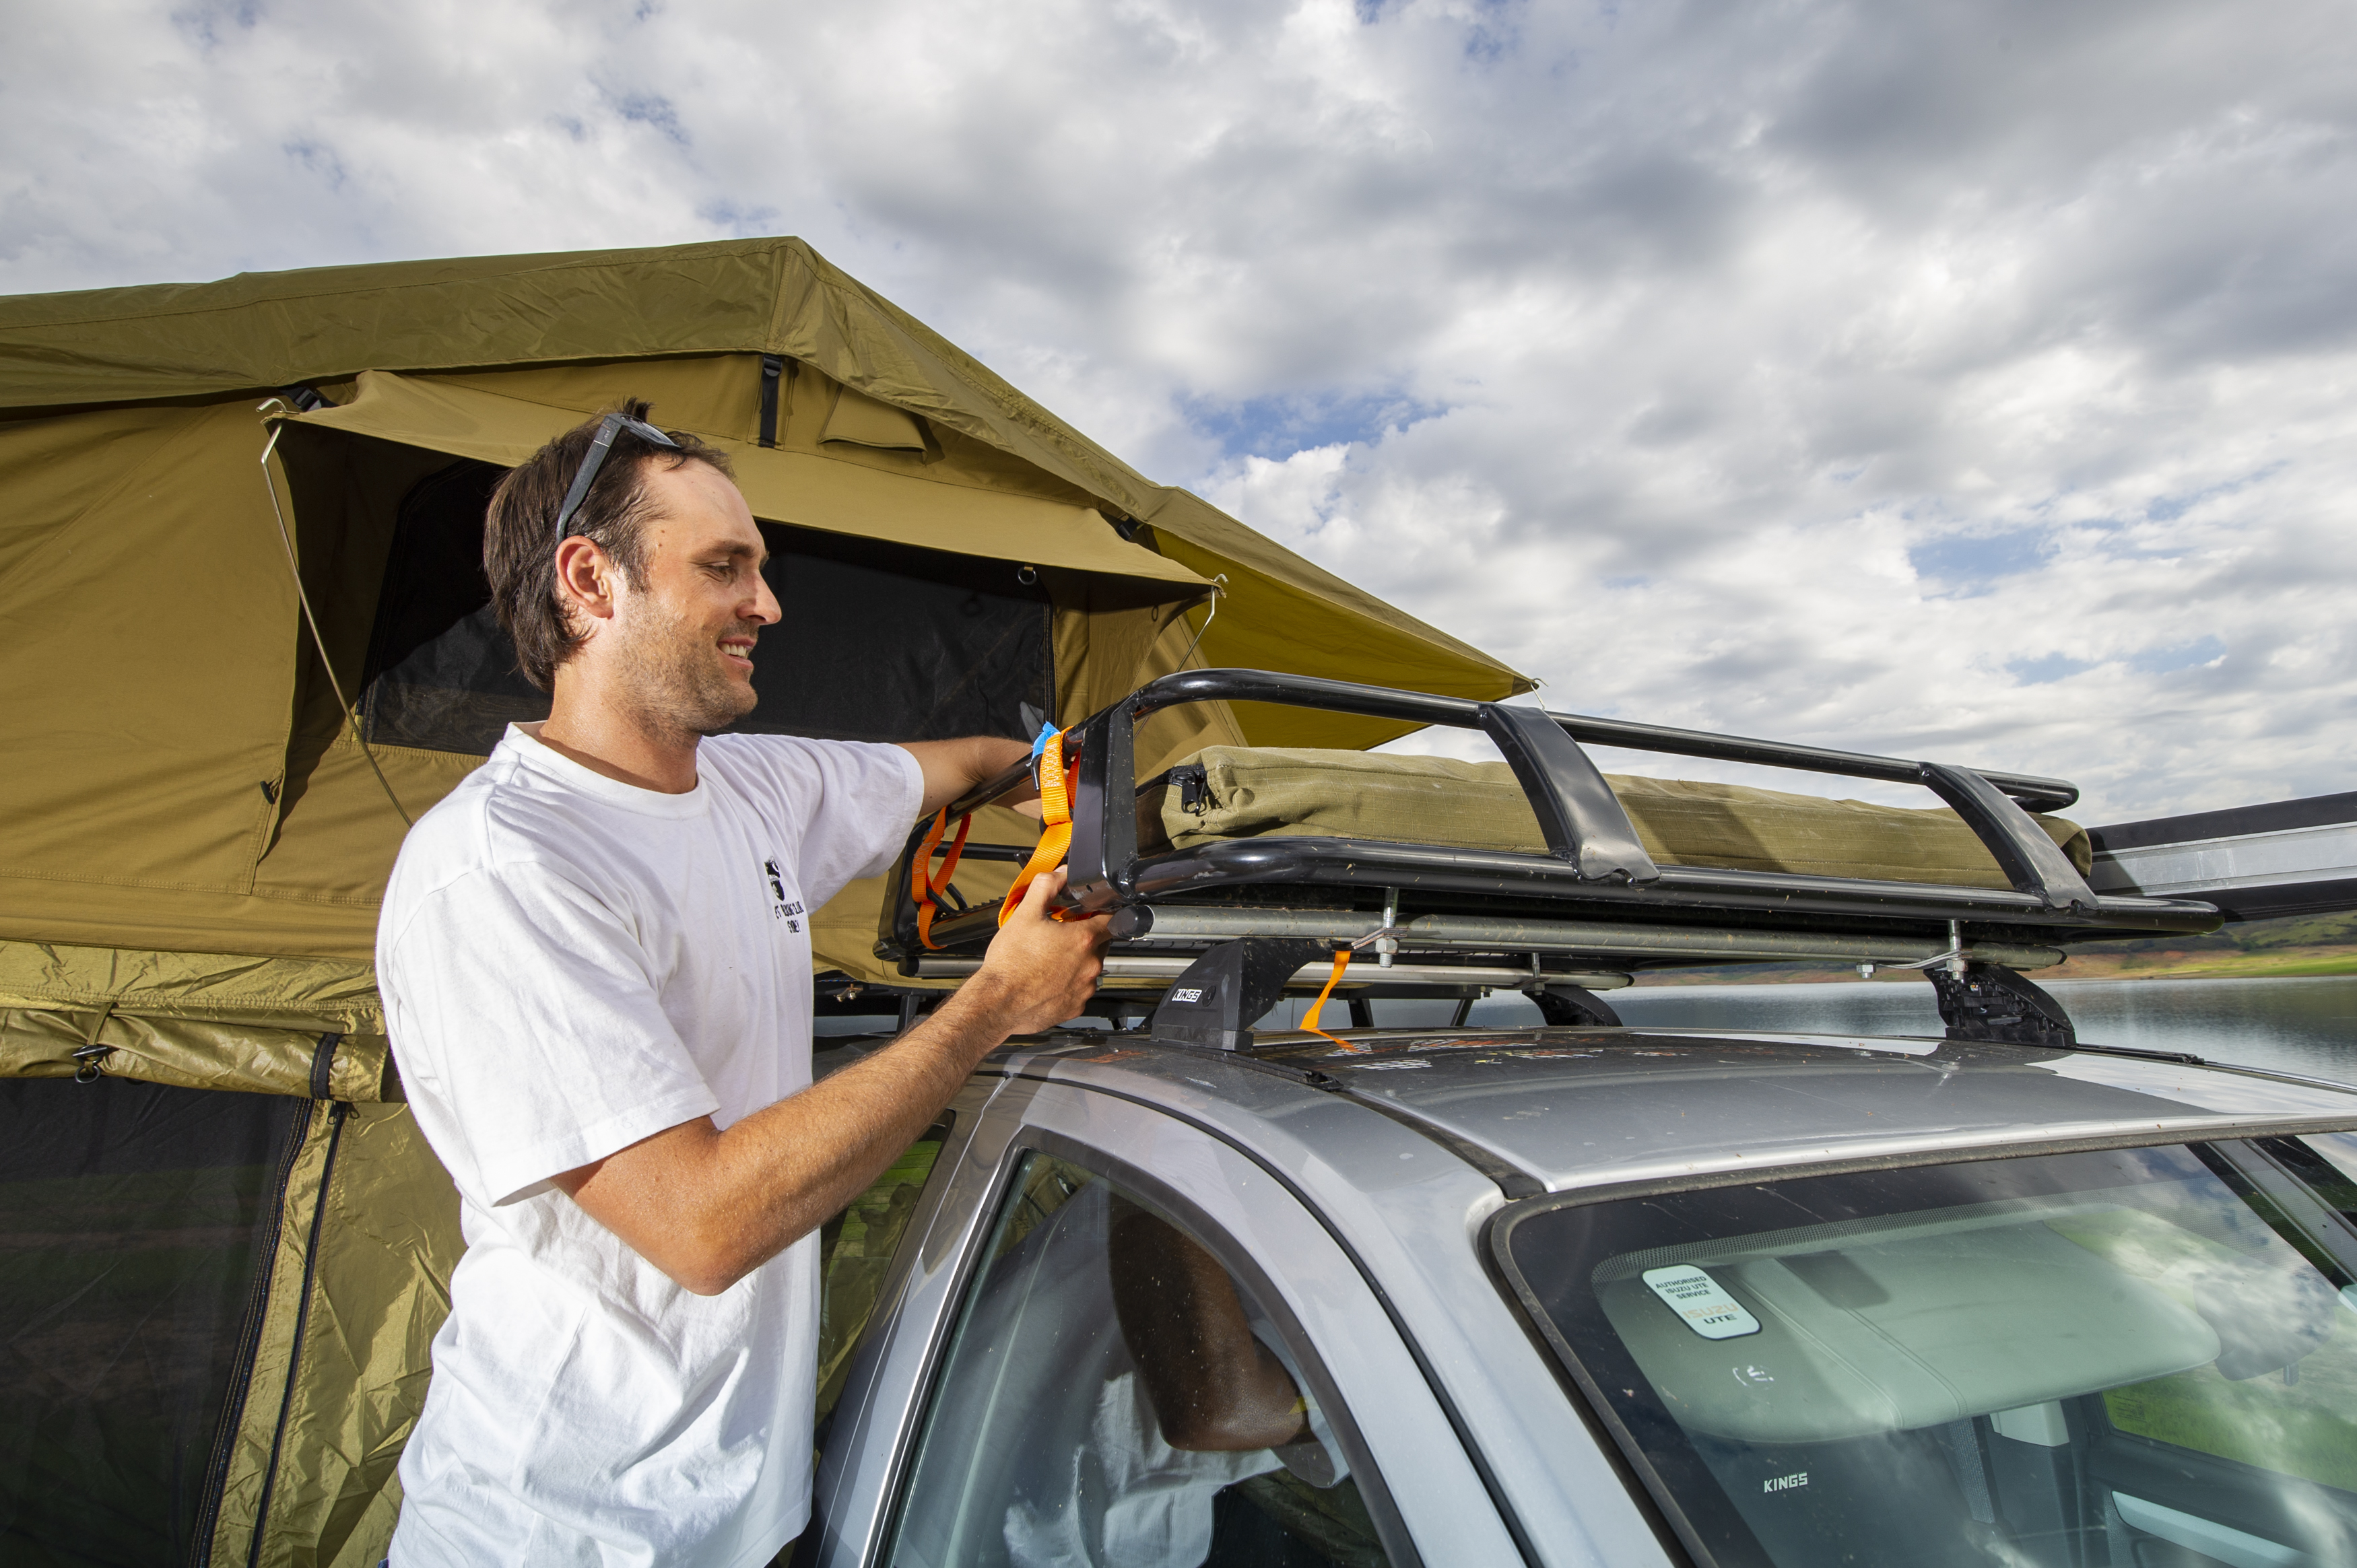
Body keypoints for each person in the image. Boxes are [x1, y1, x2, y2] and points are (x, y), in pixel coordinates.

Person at [375, 402, 1110, 1567]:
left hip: (747, 1515)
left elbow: (958, 767)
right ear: (590, 580)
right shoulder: (504, 870)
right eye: (726, 568)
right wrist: (996, 1007)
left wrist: (1059, 779)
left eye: (758, 569)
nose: (766, 606)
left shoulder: (753, 786)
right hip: (561, 1535)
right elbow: (703, 1224)